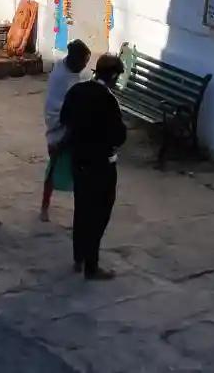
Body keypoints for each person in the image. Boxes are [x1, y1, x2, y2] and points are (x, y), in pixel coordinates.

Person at [59, 52, 127, 280]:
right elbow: (119, 136)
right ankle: (92, 264)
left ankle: (78, 256)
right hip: (101, 165)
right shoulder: (109, 101)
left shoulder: (77, 91)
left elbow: (64, 119)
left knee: (82, 210)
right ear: (114, 76)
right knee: (99, 214)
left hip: (78, 161)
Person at [40, 40, 91, 221]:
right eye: (83, 62)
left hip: (74, 126)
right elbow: (54, 106)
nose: (85, 66)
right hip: (59, 127)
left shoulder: (76, 73)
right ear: (73, 59)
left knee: (80, 170)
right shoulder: (60, 75)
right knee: (53, 169)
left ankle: (81, 211)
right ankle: (44, 207)